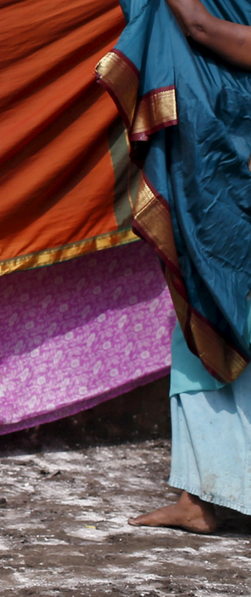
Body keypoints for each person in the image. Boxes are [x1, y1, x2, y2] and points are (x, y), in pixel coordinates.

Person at [128, 0, 251, 533]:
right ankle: (195, 495)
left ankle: (206, 495)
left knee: (220, 303)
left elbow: (200, 25)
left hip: (226, 161)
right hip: (217, 148)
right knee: (198, 307)